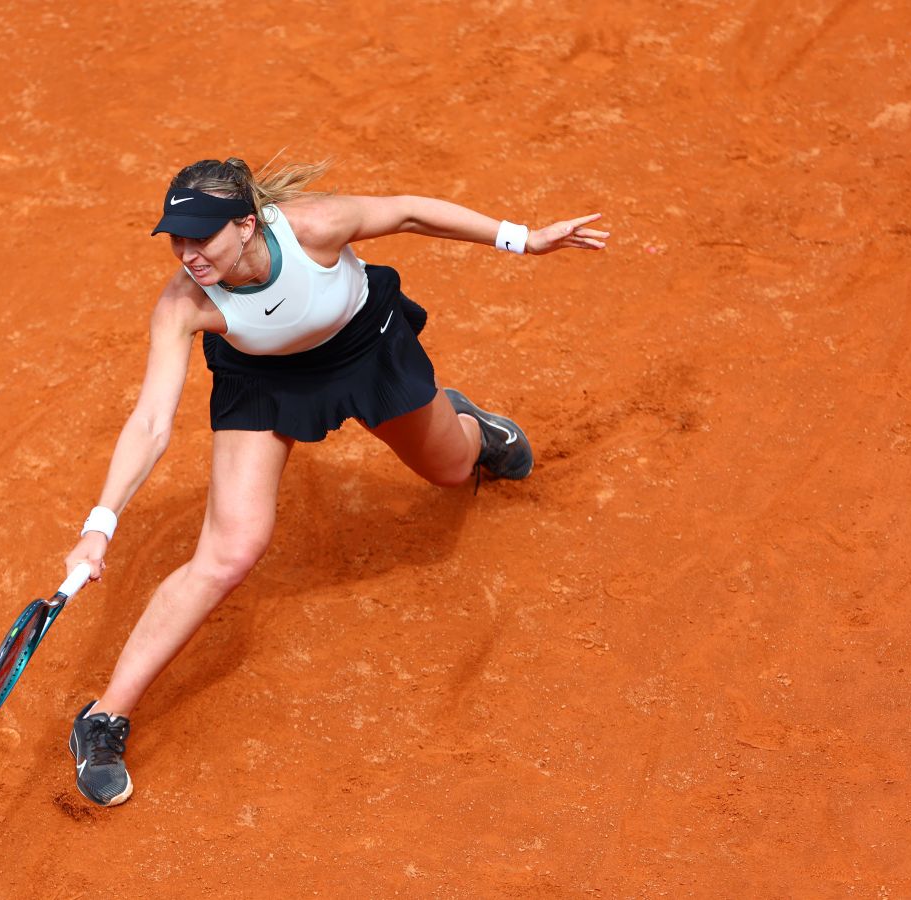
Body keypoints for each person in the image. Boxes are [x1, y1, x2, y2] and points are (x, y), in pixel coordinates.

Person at [62, 157, 609, 806]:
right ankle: (104, 717)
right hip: (264, 379)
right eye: (177, 239)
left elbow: (409, 211)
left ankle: (473, 429)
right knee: (229, 551)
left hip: (363, 348)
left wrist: (524, 238)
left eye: (202, 237)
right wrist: (100, 525)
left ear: (246, 225)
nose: (188, 254)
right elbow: (152, 422)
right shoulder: (184, 303)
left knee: (451, 469)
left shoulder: (314, 226)